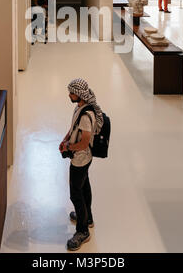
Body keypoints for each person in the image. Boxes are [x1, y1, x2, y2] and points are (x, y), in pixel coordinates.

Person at [59, 78, 103, 251]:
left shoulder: (86, 115)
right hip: (83, 158)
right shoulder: (80, 107)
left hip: (81, 159)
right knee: (84, 186)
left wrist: (69, 146)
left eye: (71, 92)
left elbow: (84, 143)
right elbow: (73, 128)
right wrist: (65, 139)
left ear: (80, 94)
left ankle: (83, 231)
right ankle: (87, 217)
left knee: (76, 193)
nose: (69, 95)